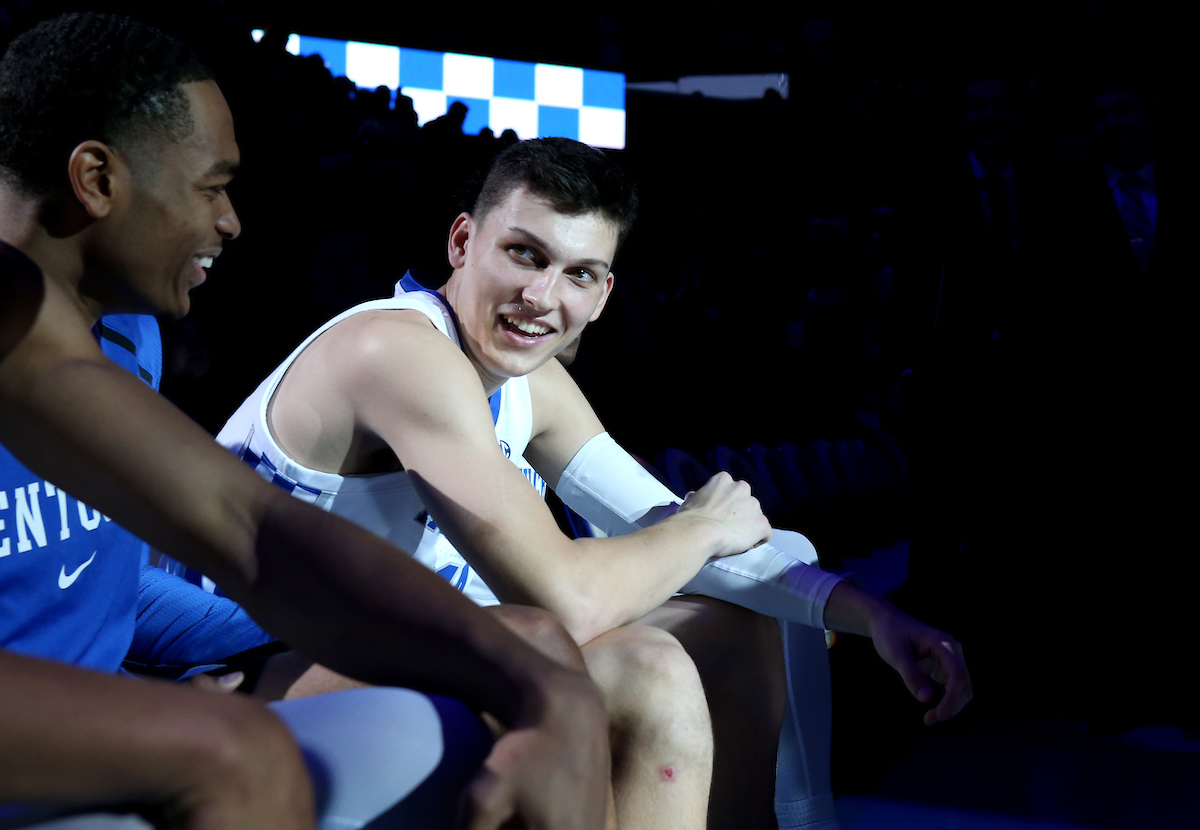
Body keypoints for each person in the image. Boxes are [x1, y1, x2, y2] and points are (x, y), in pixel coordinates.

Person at [218, 137, 974, 828]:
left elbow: (658, 525)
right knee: (645, 667)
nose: (544, 298)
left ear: (604, 295)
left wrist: (874, 617)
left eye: (577, 273)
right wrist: (700, 525)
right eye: (523, 254)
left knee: (742, 622)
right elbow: (570, 598)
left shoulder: (532, 384)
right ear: (462, 241)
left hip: (403, 646)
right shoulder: (395, 348)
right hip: (247, 670)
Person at [0, 13, 610, 829]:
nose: (231, 222)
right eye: (213, 187)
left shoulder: (96, 331)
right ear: (98, 180)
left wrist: (540, 682)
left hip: (88, 723)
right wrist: (150, 718)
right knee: (238, 753)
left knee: (530, 650)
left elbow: (244, 527)